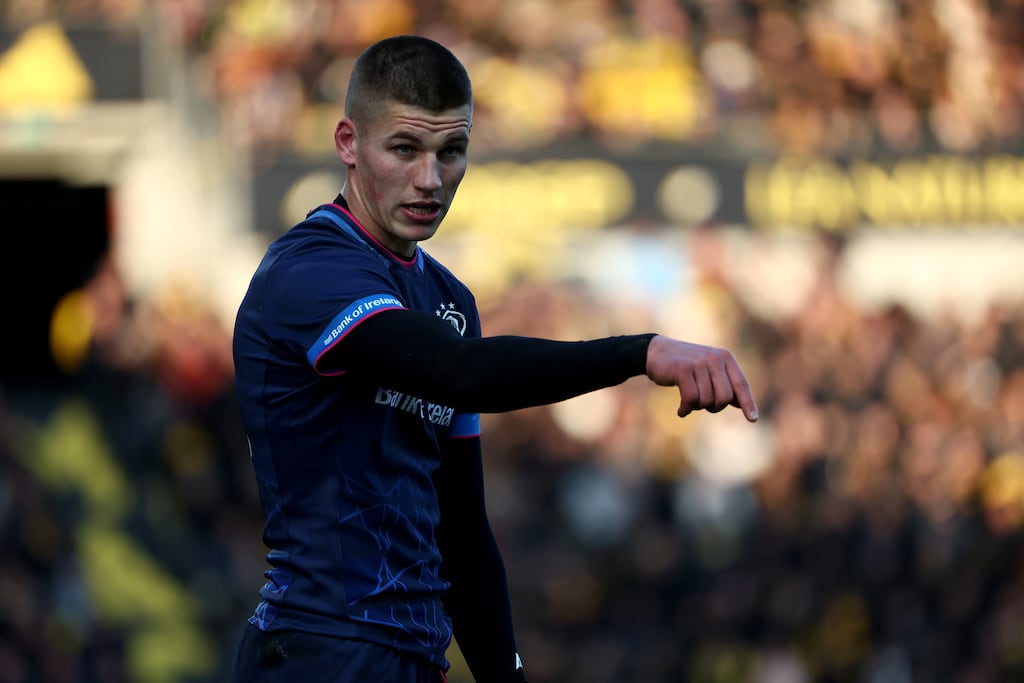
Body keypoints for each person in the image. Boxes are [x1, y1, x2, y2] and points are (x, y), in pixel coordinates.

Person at [230, 34, 759, 683]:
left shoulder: (448, 299)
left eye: (451, 151)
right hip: (316, 647)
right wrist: (640, 352)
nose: (430, 179)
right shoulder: (308, 271)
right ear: (348, 143)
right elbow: (461, 371)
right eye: (405, 149)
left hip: (414, 656)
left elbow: (461, 527)